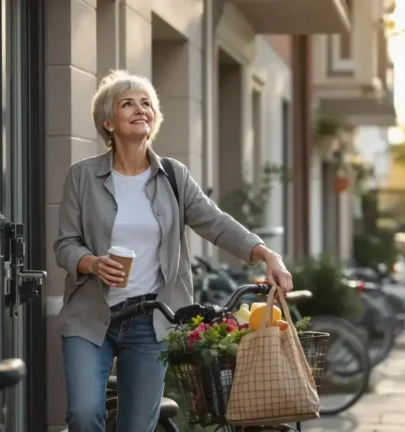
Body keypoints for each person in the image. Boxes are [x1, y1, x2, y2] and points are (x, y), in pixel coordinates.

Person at [53, 69, 293, 432]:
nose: (140, 109)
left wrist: (267, 255)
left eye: (146, 103)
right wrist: (91, 263)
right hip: (91, 317)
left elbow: (216, 223)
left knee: (138, 426)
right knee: (85, 414)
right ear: (108, 122)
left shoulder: (173, 177)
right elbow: (64, 245)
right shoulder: (82, 177)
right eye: (127, 104)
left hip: (151, 321)